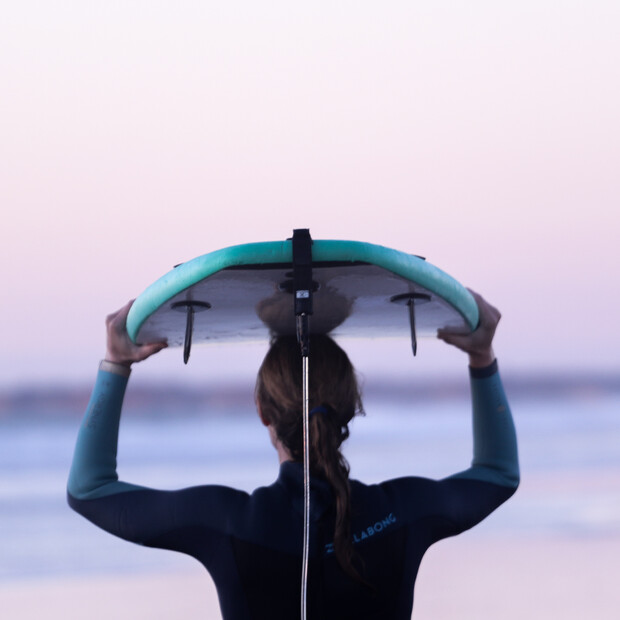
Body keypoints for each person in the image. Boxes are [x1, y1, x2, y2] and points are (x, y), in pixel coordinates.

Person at [67, 291, 519, 619]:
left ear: (261, 409)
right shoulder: (401, 512)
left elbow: (89, 490)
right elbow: (498, 474)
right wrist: (482, 356)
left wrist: (116, 363)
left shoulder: (226, 522)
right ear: (351, 407)